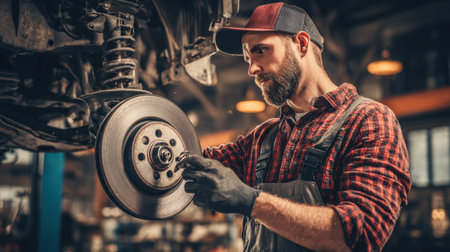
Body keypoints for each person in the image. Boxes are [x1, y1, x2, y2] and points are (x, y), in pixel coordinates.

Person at [177, 2, 411, 251]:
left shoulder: (368, 121)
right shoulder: (263, 138)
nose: (252, 69)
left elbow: (360, 234)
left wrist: (252, 202)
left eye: (261, 51)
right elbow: (192, 161)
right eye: (248, 57)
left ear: (301, 43)